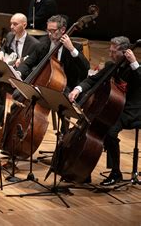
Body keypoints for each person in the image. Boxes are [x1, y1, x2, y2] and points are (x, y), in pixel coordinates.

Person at [68, 36, 141, 186]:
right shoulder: (111, 65)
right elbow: (92, 80)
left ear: (125, 52)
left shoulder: (135, 68)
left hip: (132, 110)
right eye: (110, 51)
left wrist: (134, 63)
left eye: (114, 52)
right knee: (93, 124)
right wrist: (77, 89)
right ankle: (84, 170)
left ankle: (116, 173)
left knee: (109, 131)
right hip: (115, 107)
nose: (110, 54)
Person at [17, 15, 90, 92]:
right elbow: (28, 63)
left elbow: (86, 67)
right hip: (42, 81)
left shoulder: (74, 47)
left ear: (63, 30)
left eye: (53, 31)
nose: (50, 34)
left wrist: (71, 49)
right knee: (17, 93)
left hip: (65, 86)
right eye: (48, 30)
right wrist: (19, 73)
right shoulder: (42, 44)